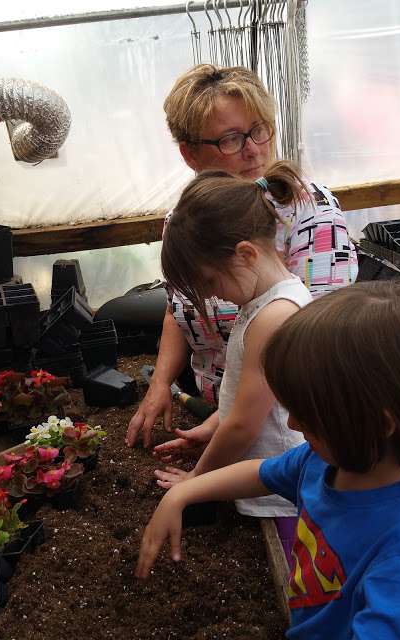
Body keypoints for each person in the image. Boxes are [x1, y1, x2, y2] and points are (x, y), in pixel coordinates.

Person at [136, 280, 400, 639]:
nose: (292, 423)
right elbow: (259, 472)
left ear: (379, 424)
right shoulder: (325, 462)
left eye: (308, 415)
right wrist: (182, 493)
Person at [125, 63, 358, 451]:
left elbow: (315, 340)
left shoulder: (309, 213)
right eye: (231, 139)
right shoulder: (186, 218)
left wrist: (227, 423)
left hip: (292, 428)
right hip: (227, 418)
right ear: (190, 154)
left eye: (258, 130)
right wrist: (160, 383)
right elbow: (177, 305)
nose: (253, 149)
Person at [155, 161, 312, 535]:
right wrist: (213, 425)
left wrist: (195, 481)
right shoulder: (261, 302)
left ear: (245, 254)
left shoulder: (274, 316)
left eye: (209, 281)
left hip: (280, 495)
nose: (209, 294)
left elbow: (244, 425)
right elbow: (247, 401)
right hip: (262, 479)